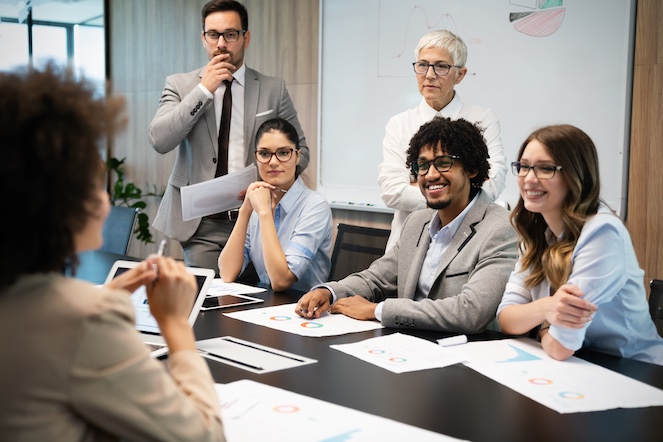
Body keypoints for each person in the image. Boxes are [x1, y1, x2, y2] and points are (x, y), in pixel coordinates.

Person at [0, 66, 225, 440]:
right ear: (60, 203)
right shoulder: (82, 320)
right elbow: (203, 436)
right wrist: (174, 324)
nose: (107, 201)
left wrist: (106, 298)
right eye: (94, 187)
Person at [296, 117, 518, 332]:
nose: (430, 175)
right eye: (423, 165)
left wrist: (377, 310)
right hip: (406, 349)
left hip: (464, 356)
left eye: (443, 163)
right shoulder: (418, 221)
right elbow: (377, 278)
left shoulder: (499, 229)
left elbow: (471, 312)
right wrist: (330, 292)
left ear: (471, 169)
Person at [149, 0, 308, 273]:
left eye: (230, 34)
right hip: (201, 225)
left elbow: (301, 151)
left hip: (257, 218)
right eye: (213, 35)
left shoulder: (272, 89)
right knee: (211, 303)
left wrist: (269, 184)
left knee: (258, 302)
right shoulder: (180, 84)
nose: (221, 43)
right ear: (203, 38)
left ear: (246, 38)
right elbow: (160, 140)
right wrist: (203, 91)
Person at [497, 125, 663, 365]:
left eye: (545, 168)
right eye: (523, 166)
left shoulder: (603, 232)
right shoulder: (538, 233)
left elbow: (561, 346)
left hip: (636, 369)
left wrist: (541, 327)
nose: (529, 179)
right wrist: (547, 308)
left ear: (576, 174)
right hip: (581, 368)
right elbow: (507, 319)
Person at [378, 29, 507, 250]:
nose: (429, 74)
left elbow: (493, 183)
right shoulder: (399, 124)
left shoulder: (482, 119)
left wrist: (419, 184)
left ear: (460, 74)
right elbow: (392, 191)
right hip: (408, 244)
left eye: (441, 66)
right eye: (422, 65)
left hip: (463, 245)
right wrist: (455, 188)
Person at [218, 118, 332, 292]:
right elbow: (227, 273)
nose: (272, 162)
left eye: (283, 153)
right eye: (264, 154)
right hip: (265, 307)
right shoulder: (258, 201)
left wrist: (265, 213)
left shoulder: (315, 206)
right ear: (256, 158)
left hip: (303, 309)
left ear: (297, 156)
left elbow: (281, 281)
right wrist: (245, 211)